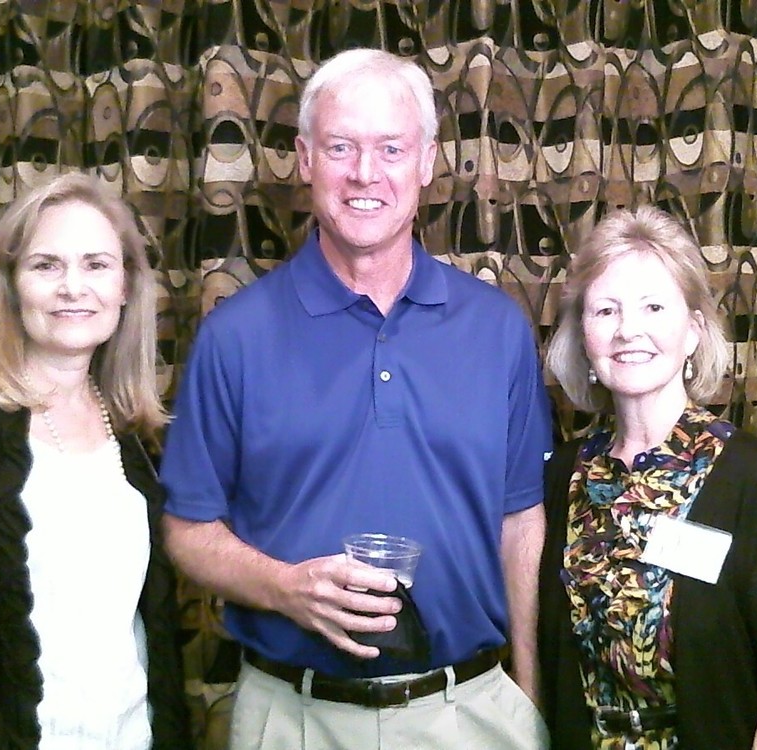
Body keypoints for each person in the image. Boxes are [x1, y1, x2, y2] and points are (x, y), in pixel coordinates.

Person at [159, 48, 552, 750]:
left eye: (390, 148)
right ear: (305, 159)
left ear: (427, 162)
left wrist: (529, 696)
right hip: (292, 718)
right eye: (341, 147)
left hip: (471, 714)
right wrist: (285, 587)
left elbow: (520, 522)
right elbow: (188, 531)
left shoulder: (497, 328)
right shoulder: (234, 336)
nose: (365, 173)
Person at [538, 205, 757, 749]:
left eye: (653, 306)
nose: (629, 330)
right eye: (606, 310)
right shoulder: (562, 478)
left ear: (693, 331)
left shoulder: (751, 479)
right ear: (583, 336)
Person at [0, 173, 192, 749]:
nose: (73, 287)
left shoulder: (131, 435)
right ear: (12, 285)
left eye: (96, 264)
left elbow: (145, 633)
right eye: (46, 265)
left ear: (125, 286)